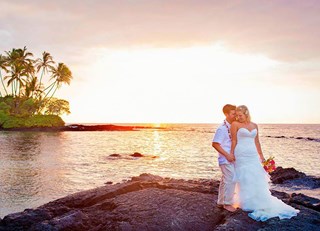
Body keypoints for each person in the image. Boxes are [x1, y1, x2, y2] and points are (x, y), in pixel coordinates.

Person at [230, 105, 299, 221]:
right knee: (244, 176)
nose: (238, 117)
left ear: (246, 114)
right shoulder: (235, 125)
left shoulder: (254, 125)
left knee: (256, 175)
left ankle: (259, 199)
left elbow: (257, 141)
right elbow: (233, 140)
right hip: (240, 153)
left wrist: (261, 155)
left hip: (252, 154)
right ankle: (247, 201)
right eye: (236, 115)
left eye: (240, 115)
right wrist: (231, 154)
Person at [212, 104, 237, 212]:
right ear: (226, 114)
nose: (235, 115)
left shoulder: (232, 126)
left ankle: (220, 201)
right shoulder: (222, 129)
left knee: (225, 180)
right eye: (233, 113)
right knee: (231, 179)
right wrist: (227, 155)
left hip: (231, 158)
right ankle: (227, 204)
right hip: (225, 159)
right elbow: (215, 144)